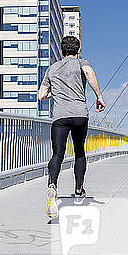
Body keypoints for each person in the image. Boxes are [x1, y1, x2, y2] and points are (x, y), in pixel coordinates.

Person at [38, 35, 105, 218]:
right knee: (79, 152)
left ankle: (52, 185)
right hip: (79, 115)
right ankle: (78, 189)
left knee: (57, 154)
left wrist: (55, 92)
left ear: (61, 50)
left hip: (60, 116)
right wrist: (98, 96)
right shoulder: (82, 63)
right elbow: (90, 74)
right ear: (78, 50)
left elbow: (41, 95)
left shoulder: (52, 69)